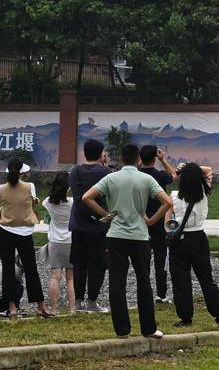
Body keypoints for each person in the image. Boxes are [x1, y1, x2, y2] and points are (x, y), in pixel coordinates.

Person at [83, 141, 173, 339]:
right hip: (140, 235)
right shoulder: (146, 179)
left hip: (115, 235)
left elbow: (87, 197)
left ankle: (122, 329)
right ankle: (149, 328)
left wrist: (106, 214)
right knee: (143, 281)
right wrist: (150, 221)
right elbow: (167, 202)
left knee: (117, 282)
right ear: (138, 159)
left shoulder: (111, 178)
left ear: (121, 159)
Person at [166, 161, 219, 327]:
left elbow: (169, 222)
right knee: (206, 278)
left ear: (183, 179)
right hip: (199, 237)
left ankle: (185, 317)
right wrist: (188, 168)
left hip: (180, 240)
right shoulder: (203, 193)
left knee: (181, 281)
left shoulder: (173, 197)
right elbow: (208, 169)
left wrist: (171, 232)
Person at [0, 156, 49, 319]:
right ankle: (40, 306)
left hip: (6, 231)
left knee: (8, 269)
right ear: (22, 172)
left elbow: (4, 203)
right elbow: (31, 204)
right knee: (31, 269)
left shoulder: (0, 188)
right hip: (24, 232)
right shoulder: (30, 186)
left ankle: (12, 308)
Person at [68, 139, 114, 313]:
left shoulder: (74, 171)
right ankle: (92, 301)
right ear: (101, 153)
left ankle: (78, 302)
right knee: (98, 264)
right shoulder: (105, 172)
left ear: (84, 152)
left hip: (78, 224)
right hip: (98, 225)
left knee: (79, 264)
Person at [140, 146, 174, 302]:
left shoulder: (137, 175)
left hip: (140, 221)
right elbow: (173, 175)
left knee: (143, 260)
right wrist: (163, 160)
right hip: (159, 222)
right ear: (154, 159)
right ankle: (161, 294)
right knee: (160, 260)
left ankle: (144, 292)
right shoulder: (159, 175)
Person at [44, 171, 75, 315]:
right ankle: (72, 309)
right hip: (70, 240)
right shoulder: (72, 203)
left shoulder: (47, 202)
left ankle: (54, 309)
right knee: (70, 278)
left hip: (55, 241)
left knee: (55, 277)